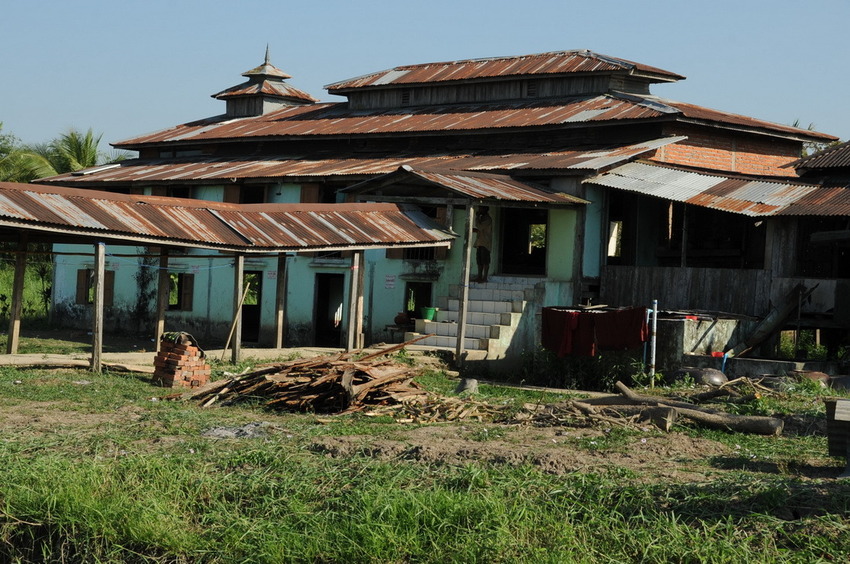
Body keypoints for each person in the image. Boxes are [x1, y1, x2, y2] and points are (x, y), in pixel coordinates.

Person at [472, 206, 492, 283]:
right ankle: (479, 277)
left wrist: (476, 217)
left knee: (485, 261)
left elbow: (480, 226)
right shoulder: (482, 218)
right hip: (480, 242)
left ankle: (485, 278)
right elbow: (481, 230)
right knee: (479, 261)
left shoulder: (488, 219)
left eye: (480, 209)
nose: (479, 210)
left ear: (485, 209)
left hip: (485, 243)